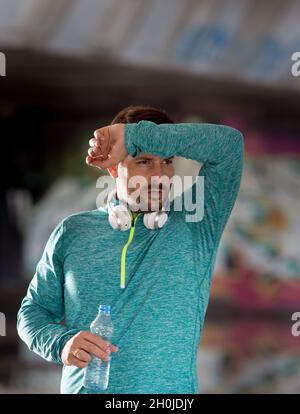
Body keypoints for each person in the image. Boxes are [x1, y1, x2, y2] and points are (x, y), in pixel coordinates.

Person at [17, 105, 244, 394]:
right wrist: (60, 343)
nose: (160, 175)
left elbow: (229, 146)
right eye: (145, 162)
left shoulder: (196, 224)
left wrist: (133, 137)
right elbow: (33, 312)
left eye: (167, 162)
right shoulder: (73, 232)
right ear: (114, 167)